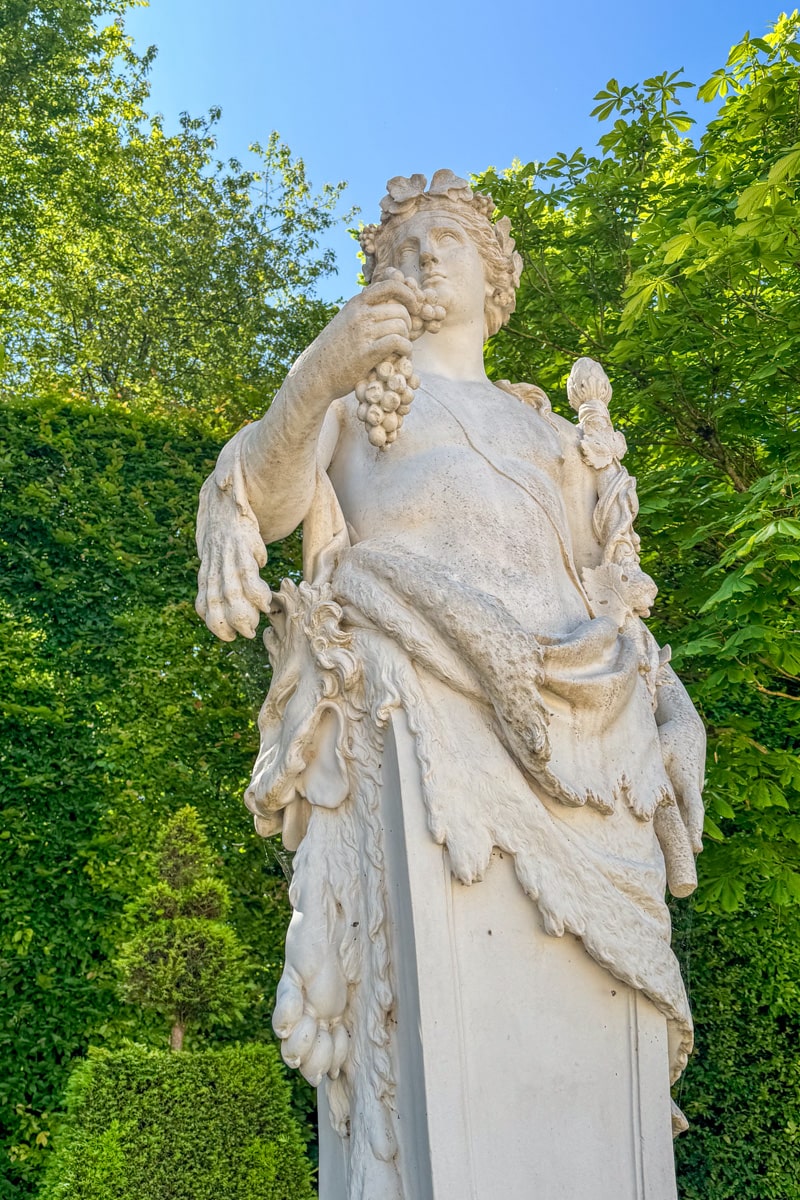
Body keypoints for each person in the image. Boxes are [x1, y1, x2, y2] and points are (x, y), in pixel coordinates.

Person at [195, 170, 706, 1199]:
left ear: (494, 276)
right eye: (404, 247)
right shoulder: (355, 395)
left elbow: (601, 591)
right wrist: (314, 376)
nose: (427, 256)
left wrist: (658, 695)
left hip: (587, 726)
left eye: (451, 241)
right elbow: (273, 486)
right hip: (423, 706)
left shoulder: (553, 437)